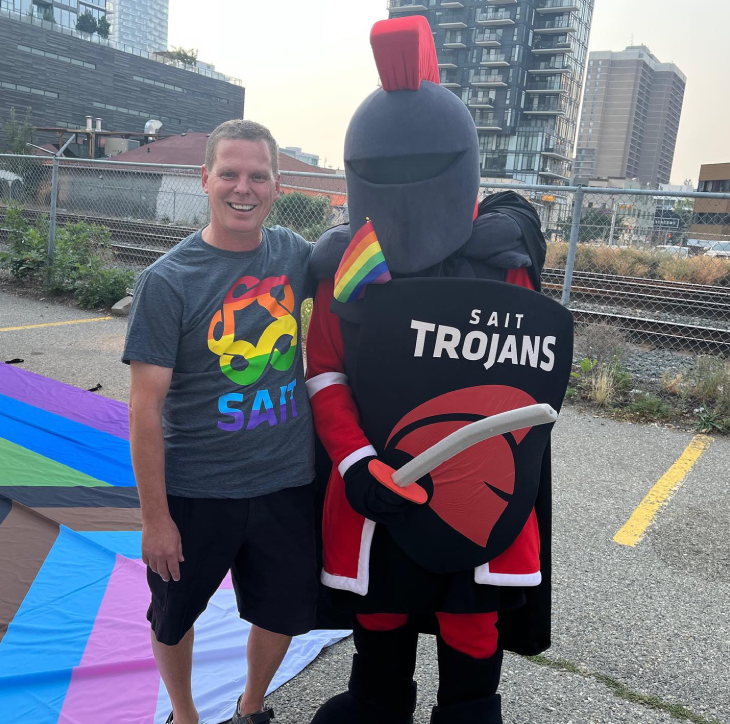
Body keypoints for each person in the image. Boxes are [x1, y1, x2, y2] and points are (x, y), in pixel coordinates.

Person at [305, 17, 572, 724]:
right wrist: (356, 463)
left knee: (470, 615)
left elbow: (527, 370)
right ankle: (380, 701)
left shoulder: (500, 260)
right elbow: (325, 372)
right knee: (382, 606)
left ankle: (468, 710)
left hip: (476, 480)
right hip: (375, 475)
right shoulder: (344, 266)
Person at [123, 119, 317, 724]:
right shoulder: (168, 282)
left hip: (287, 482)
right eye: (229, 174)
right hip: (197, 491)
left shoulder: (293, 254)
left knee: (280, 611)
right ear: (204, 179)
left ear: (277, 186)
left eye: (258, 176)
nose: (243, 188)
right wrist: (156, 519)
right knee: (175, 615)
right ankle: (184, 717)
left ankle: (251, 708)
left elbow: (370, 267)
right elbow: (144, 410)